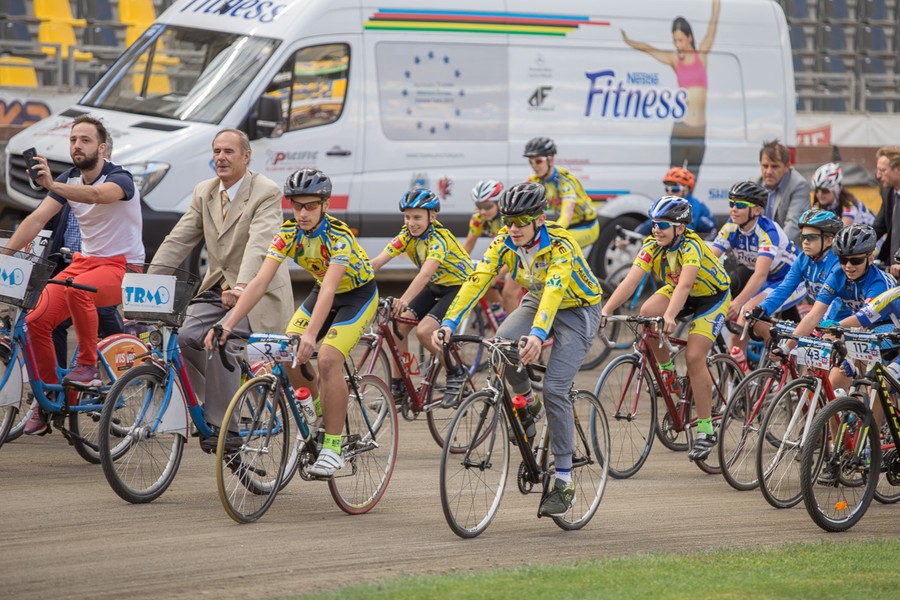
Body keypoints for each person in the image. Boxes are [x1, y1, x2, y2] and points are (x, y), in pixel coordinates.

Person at [433, 182, 604, 517]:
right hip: (537, 300)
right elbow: (476, 280)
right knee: (500, 345)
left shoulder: (561, 244)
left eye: (521, 221)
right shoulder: (505, 241)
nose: (513, 228)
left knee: (556, 387)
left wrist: (538, 336)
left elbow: (556, 290)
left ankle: (565, 479)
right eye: (508, 221)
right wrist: (450, 322)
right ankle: (527, 401)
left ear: (539, 219)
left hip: (578, 309)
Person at [208, 168, 378, 478]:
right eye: (297, 205)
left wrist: (312, 335)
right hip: (321, 291)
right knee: (284, 349)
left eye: (311, 205)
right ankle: (317, 410)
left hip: (355, 296)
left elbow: (330, 289)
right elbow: (259, 282)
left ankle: (333, 445)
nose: (302, 213)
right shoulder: (287, 234)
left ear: (325, 205)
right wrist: (228, 323)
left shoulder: (339, 238)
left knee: (327, 358)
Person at [152, 128, 293, 453]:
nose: (221, 157)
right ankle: (216, 401)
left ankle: (226, 426)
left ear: (247, 156)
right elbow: (179, 240)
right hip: (218, 289)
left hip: (258, 293)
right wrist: (145, 280)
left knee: (222, 341)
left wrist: (243, 286)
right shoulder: (205, 191)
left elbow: (260, 245)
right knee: (185, 336)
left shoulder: (265, 191)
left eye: (229, 151)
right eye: (216, 151)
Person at [4, 115, 144, 435]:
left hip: (122, 267)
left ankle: (87, 365)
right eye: (72, 140)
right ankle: (50, 396)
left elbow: (97, 196)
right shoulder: (69, 179)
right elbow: (37, 219)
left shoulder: (120, 178)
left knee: (78, 289)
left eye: (85, 140)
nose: (77, 146)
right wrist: (5, 256)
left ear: (102, 147)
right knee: (35, 321)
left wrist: (53, 185)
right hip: (84, 262)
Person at [602, 195, 730, 460]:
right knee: (647, 315)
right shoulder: (652, 245)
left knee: (695, 357)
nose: (656, 229)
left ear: (680, 228)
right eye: (654, 223)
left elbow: (684, 286)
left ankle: (706, 429)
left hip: (711, 297)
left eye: (662, 224)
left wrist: (670, 316)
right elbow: (629, 282)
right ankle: (669, 373)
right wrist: (605, 310)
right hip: (681, 291)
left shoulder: (692, 247)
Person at [369, 189, 472, 404]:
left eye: (417, 217)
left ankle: (457, 373)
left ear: (431, 217)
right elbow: (377, 262)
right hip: (436, 285)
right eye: (407, 217)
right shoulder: (406, 235)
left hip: (458, 287)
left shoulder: (438, 240)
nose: (411, 222)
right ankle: (400, 387)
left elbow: (425, 274)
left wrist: (404, 299)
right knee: (397, 327)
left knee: (425, 332)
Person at [780, 224, 894, 401]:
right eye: (843, 260)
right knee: (830, 391)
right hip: (862, 326)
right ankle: (834, 423)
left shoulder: (878, 283)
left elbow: (864, 321)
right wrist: (786, 347)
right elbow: (814, 315)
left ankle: (872, 424)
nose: (848, 266)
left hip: (888, 327)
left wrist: (844, 346)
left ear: (870, 258)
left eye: (855, 260)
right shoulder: (838, 275)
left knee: (872, 390)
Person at [48, 134, 123, 368]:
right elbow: (46, 223)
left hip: (103, 268)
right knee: (52, 321)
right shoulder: (70, 184)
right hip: (69, 265)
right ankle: (57, 383)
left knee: (103, 314)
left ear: (105, 154)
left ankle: (125, 360)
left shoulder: (118, 185)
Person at [621, 0, 720, 178]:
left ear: (689, 37)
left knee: (692, 184)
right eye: (675, 41)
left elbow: (713, 24)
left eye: (681, 40)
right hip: (681, 130)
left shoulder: (701, 56)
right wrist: (629, 41)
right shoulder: (675, 60)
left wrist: (716, 3)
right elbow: (649, 49)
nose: (678, 45)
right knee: (674, 183)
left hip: (699, 132)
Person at [711, 181, 802, 360]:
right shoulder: (731, 227)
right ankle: (736, 381)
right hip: (769, 278)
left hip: (791, 280)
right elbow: (710, 259)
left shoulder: (767, 231)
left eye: (741, 205)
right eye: (731, 203)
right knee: (739, 331)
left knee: (747, 310)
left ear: (757, 210)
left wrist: (737, 303)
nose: (734, 209)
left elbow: (759, 275)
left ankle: (781, 360)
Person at [745, 209, 843, 343]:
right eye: (803, 237)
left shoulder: (838, 263)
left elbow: (834, 301)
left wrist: (820, 324)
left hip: (842, 320)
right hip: (820, 318)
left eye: (812, 237)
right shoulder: (803, 259)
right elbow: (784, 288)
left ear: (828, 241)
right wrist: (763, 308)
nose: (805, 242)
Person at [523, 136, 599, 250]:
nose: (534, 165)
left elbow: (566, 217)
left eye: (538, 161)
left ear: (551, 160)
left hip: (586, 226)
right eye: (531, 161)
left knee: (555, 248)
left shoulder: (565, 181)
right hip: (568, 226)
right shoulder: (535, 180)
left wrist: (548, 235)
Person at [463, 179, 515, 318]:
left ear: (499, 203)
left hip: (519, 254)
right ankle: (501, 315)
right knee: (481, 282)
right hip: (504, 253)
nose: (482, 211)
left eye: (487, 206)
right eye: (479, 206)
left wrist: (496, 274)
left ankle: (514, 333)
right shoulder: (478, 217)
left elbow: (515, 253)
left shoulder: (509, 218)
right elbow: (468, 245)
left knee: (508, 293)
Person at [633, 167, 716, 238]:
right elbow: (654, 220)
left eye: (674, 189)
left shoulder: (693, 204)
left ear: (686, 190)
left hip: (707, 236)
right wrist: (634, 235)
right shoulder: (671, 203)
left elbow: (688, 228)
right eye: (667, 189)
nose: (669, 192)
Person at [758, 139, 810, 244]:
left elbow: (793, 224)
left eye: (775, 166)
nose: (768, 171)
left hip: (787, 249)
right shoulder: (755, 183)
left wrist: (770, 248)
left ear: (787, 166)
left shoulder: (799, 185)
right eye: (765, 166)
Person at [810, 162, 875, 228]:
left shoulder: (849, 204)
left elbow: (840, 231)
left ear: (836, 189)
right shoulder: (819, 205)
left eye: (825, 191)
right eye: (816, 190)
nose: (819, 194)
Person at [872, 146, 900, 276]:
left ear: (898, 169)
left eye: (882, 170)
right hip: (891, 268)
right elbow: (877, 227)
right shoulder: (888, 192)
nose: (878, 175)